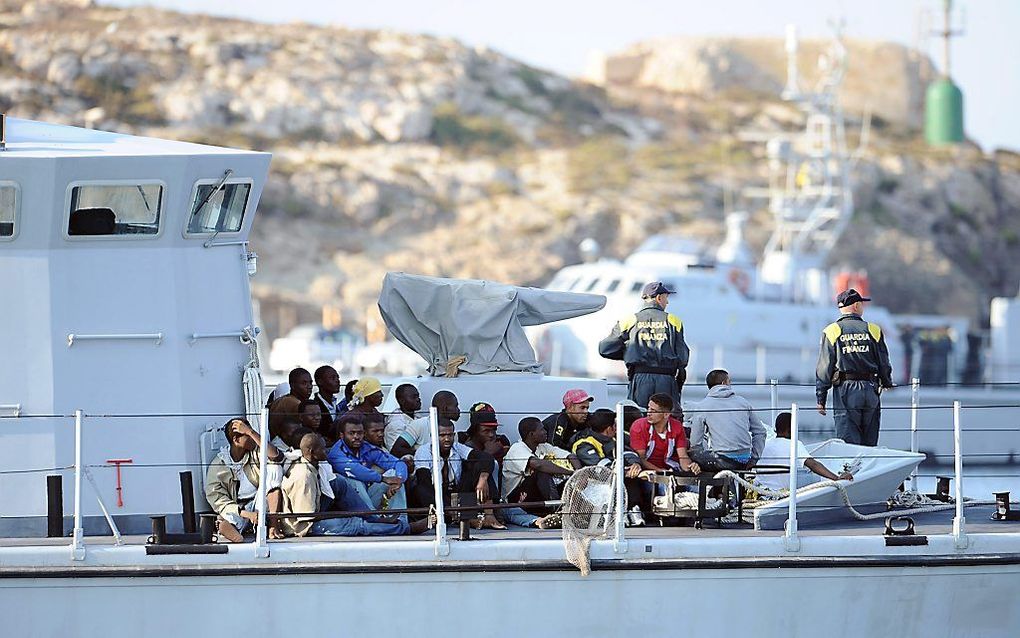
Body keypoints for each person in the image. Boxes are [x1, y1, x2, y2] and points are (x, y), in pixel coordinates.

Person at [280, 433, 424, 537]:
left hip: (315, 506)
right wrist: (340, 515)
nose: (326, 452)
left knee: (340, 482)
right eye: (323, 449)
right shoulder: (303, 476)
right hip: (305, 526)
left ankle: (373, 517)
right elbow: (307, 516)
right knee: (356, 524)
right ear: (311, 452)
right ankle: (405, 528)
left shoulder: (316, 463)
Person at [816, 288, 894, 446]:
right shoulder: (873, 329)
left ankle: (852, 470)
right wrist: (887, 382)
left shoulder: (831, 331)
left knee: (848, 441)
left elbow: (825, 367)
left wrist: (821, 398)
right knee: (869, 441)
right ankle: (869, 470)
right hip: (871, 388)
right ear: (857, 306)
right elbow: (883, 361)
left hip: (846, 390)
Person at [598, 281, 689, 410]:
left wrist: (630, 352)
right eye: (666, 298)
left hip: (639, 380)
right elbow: (683, 358)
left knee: (638, 420)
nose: (667, 303)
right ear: (658, 298)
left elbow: (605, 349)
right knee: (667, 421)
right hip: (666, 381)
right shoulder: (673, 321)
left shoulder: (629, 321)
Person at [204, 417, 285, 543]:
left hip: (260, 500)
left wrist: (250, 432)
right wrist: (248, 515)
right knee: (230, 517)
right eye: (247, 435)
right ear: (236, 440)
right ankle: (228, 528)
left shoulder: (254, 452)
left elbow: (276, 456)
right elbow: (219, 500)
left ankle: (273, 526)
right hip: (239, 508)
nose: (252, 437)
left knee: (275, 468)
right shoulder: (219, 466)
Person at [570, 408, 648, 524]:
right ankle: (619, 512)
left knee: (633, 478)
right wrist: (624, 471)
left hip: (619, 477)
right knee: (623, 478)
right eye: (615, 425)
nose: (617, 427)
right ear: (608, 429)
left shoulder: (617, 437)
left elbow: (629, 452)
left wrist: (635, 464)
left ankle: (633, 509)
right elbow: (599, 466)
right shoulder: (583, 443)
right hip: (594, 484)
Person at [686, 369, 766, 472]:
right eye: (730, 381)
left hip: (721, 461)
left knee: (691, 454)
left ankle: (709, 486)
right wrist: (754, 458)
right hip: (745, 459)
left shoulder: (703, 405)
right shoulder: (743, 402)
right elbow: (761, 432)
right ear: (724, 383)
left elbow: (695, 443)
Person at [326, 418, 408, 517]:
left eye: (359, 433)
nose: (356, 437)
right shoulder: (336, 453)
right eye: (351, 433)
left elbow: (398, 463)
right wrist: (383, 479)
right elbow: (355, 470)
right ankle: (374, 520)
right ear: (342, 435)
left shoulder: (367, 448)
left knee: (394, 475)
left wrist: (399, 479)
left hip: (367, 498)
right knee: (354, 480)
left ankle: (401, 520)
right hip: (345, 504)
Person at [755, 413, 854, 492]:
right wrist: (837, 479)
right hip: (778, 493)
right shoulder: (794, 444)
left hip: (759, 490)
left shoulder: (765, 444)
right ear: (790, 429)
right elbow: (813, 465)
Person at [503, 417, 581, 511]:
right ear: (531, 434)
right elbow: (538, 465)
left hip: (536, 495)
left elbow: (570, 455)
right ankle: (557, 510)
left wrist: (578, 472)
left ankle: (574, 509)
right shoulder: (517, 448)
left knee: (567, 481)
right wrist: (570, 473)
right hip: (516, 498)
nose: (545, 432)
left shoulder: (543, 446)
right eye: (542, 429)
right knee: (541, 472)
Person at [630, 393, 699, 473]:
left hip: (670, 467)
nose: (649, 413)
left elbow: (683, 456)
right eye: (648, 408)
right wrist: (661, 472)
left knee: (691, 485)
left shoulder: (677, 426)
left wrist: (690, 466)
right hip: (647, 472)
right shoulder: (639, 426)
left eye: (653, 411)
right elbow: (641, 459)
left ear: (666, 414)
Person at [269, 367, 314, 442]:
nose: (309, 386)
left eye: (310, 383)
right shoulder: (293, 403)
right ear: (292, 385)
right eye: (304, 383)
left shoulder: (283, 399)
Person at [385, 384, 423, 451]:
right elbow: (397, 451)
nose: (418, 399)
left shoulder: (417, 416)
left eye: (418, 396)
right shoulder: (396, 424)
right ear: (402, 401)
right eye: (413, 397)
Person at [313, 365, 342, 431]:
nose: (337, 380)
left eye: (338, 377)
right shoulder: (316, 406)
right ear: (320, 382)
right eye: (332, 378)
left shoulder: (334, 403)